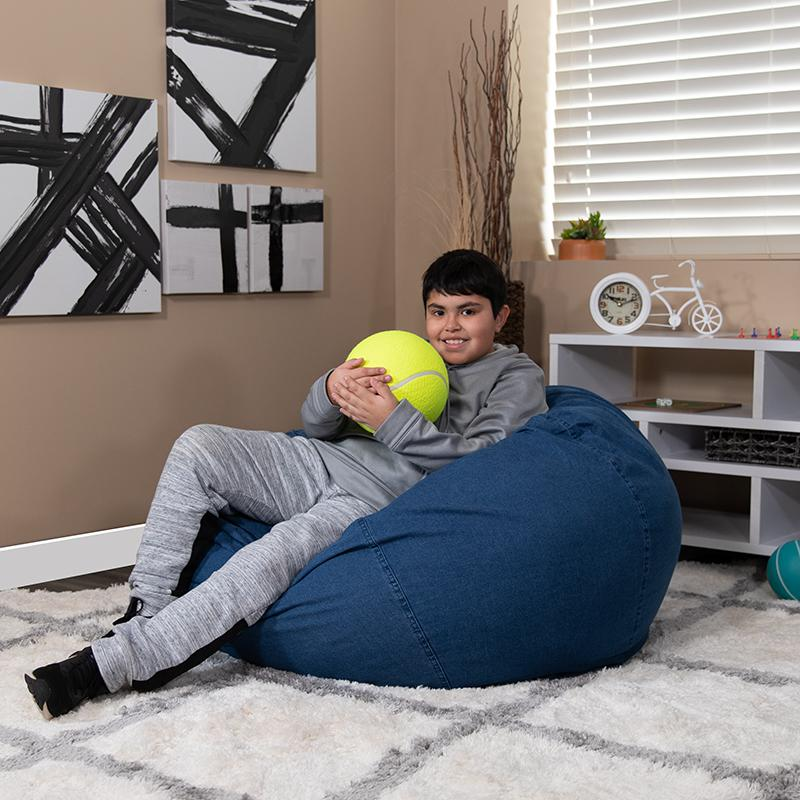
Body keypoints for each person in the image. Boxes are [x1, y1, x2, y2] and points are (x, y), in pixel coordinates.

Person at [25, 248, 548, 719]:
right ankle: (145, 609)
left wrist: (393, 420)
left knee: (265, 559)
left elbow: (485, 464)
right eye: (438, 311)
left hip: (370, 501)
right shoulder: (404, 350)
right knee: (198, 444)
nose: (450, 326)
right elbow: (317, 425)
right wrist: (330, 388)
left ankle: (111, 665)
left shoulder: (515, 376)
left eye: (468, 311)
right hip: (317, 458)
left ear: (500, 316)